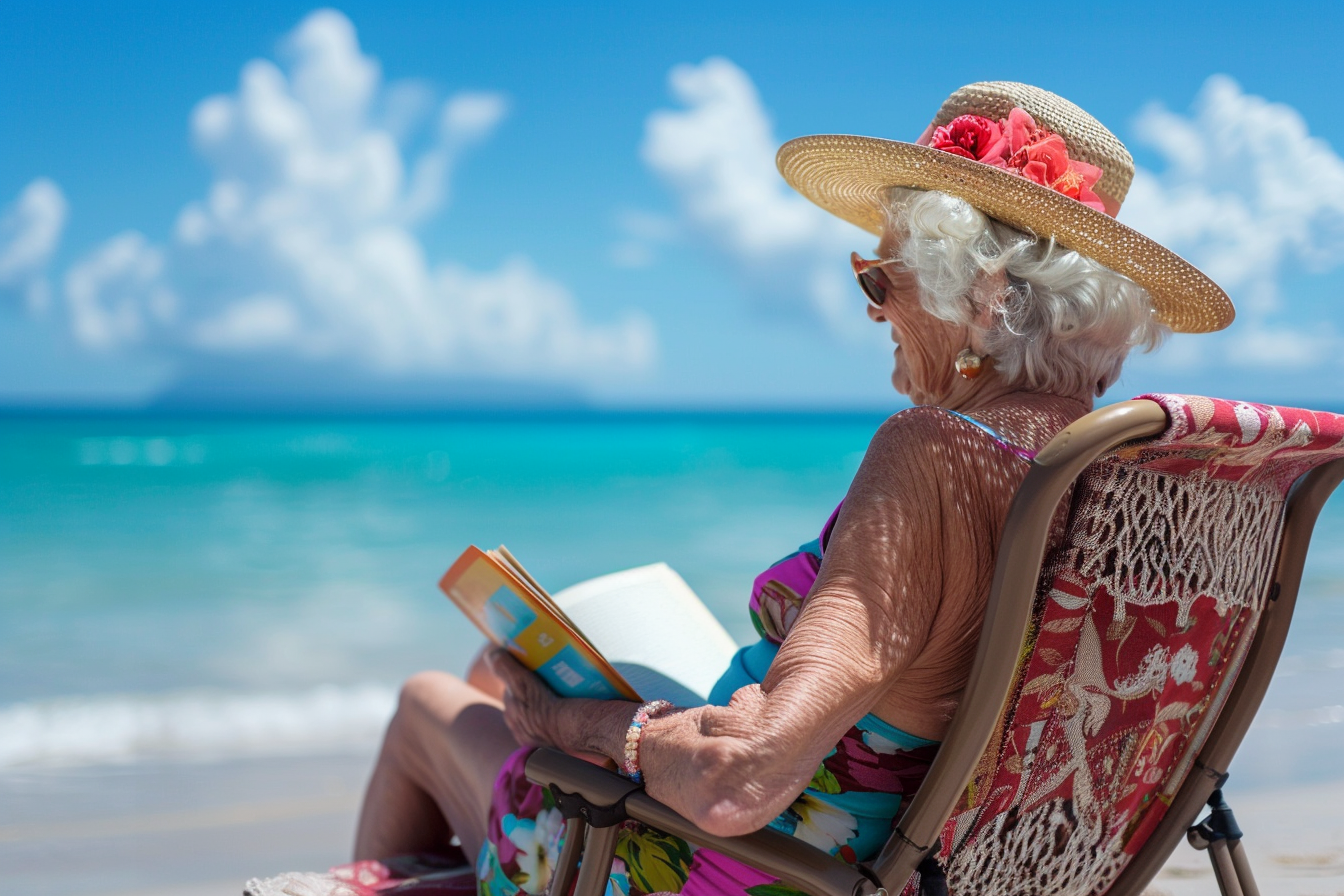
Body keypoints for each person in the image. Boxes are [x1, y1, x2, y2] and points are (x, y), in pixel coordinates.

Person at [246, 81, 1233, 896]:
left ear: (980, 300)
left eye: (881, 277)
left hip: (748, 869)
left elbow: (738, 778)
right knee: (484, 671)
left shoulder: (935, 452)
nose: (874, 309)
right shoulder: (1131, 482)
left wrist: (581, 726)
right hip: (918, 853)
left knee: (433, 702)